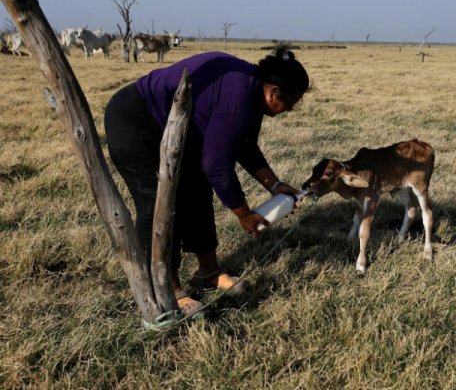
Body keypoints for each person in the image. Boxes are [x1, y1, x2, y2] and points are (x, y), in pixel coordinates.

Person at [104, 44, 310, 316]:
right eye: (290, 103)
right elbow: (217, 166)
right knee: (159, 205)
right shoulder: (240, 97)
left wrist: (274, 185)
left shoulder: (251, 92)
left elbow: (244, 145)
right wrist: (244, 214)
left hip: (178, 129)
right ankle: (167, 287)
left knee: (198, 189)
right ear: (273, 92)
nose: (288, 110)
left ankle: (208, 271)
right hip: (137, 122)